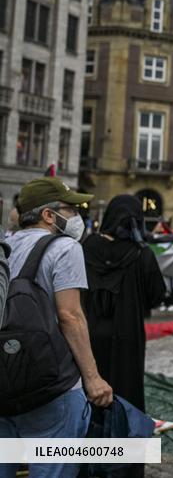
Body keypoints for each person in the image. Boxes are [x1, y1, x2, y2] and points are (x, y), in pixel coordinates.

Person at [0, 178, 113, 478]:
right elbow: (70, 316)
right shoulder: (64, 248)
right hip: (53, 387)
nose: (77, 215)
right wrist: (93, 379)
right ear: (48, 215)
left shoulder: (5, 247)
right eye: (70, 209)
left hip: (4, 382)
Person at [81, 195, 166, 414]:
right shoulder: (142, 254)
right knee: (125, 392)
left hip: (88, 329)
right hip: (127, 333)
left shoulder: (87, 247)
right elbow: (157, 294)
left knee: (86, 389)